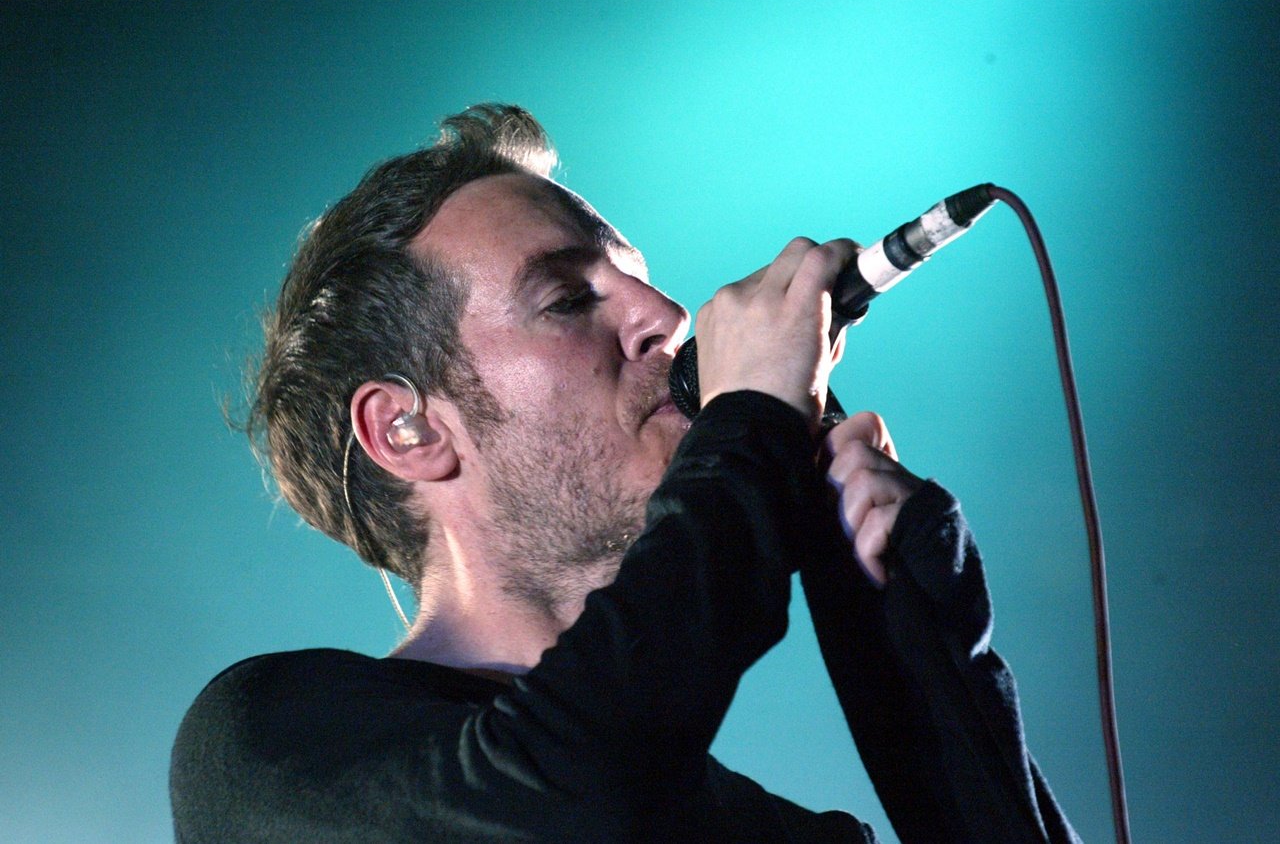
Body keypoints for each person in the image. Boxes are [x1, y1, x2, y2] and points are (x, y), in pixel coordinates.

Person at [170, 104, 1079, 842]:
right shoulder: (269, 751)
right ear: (407, 429)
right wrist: (752, 426)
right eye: (568, 298)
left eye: (639, 282)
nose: (667, 316)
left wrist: (907, 638)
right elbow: (558, 804)